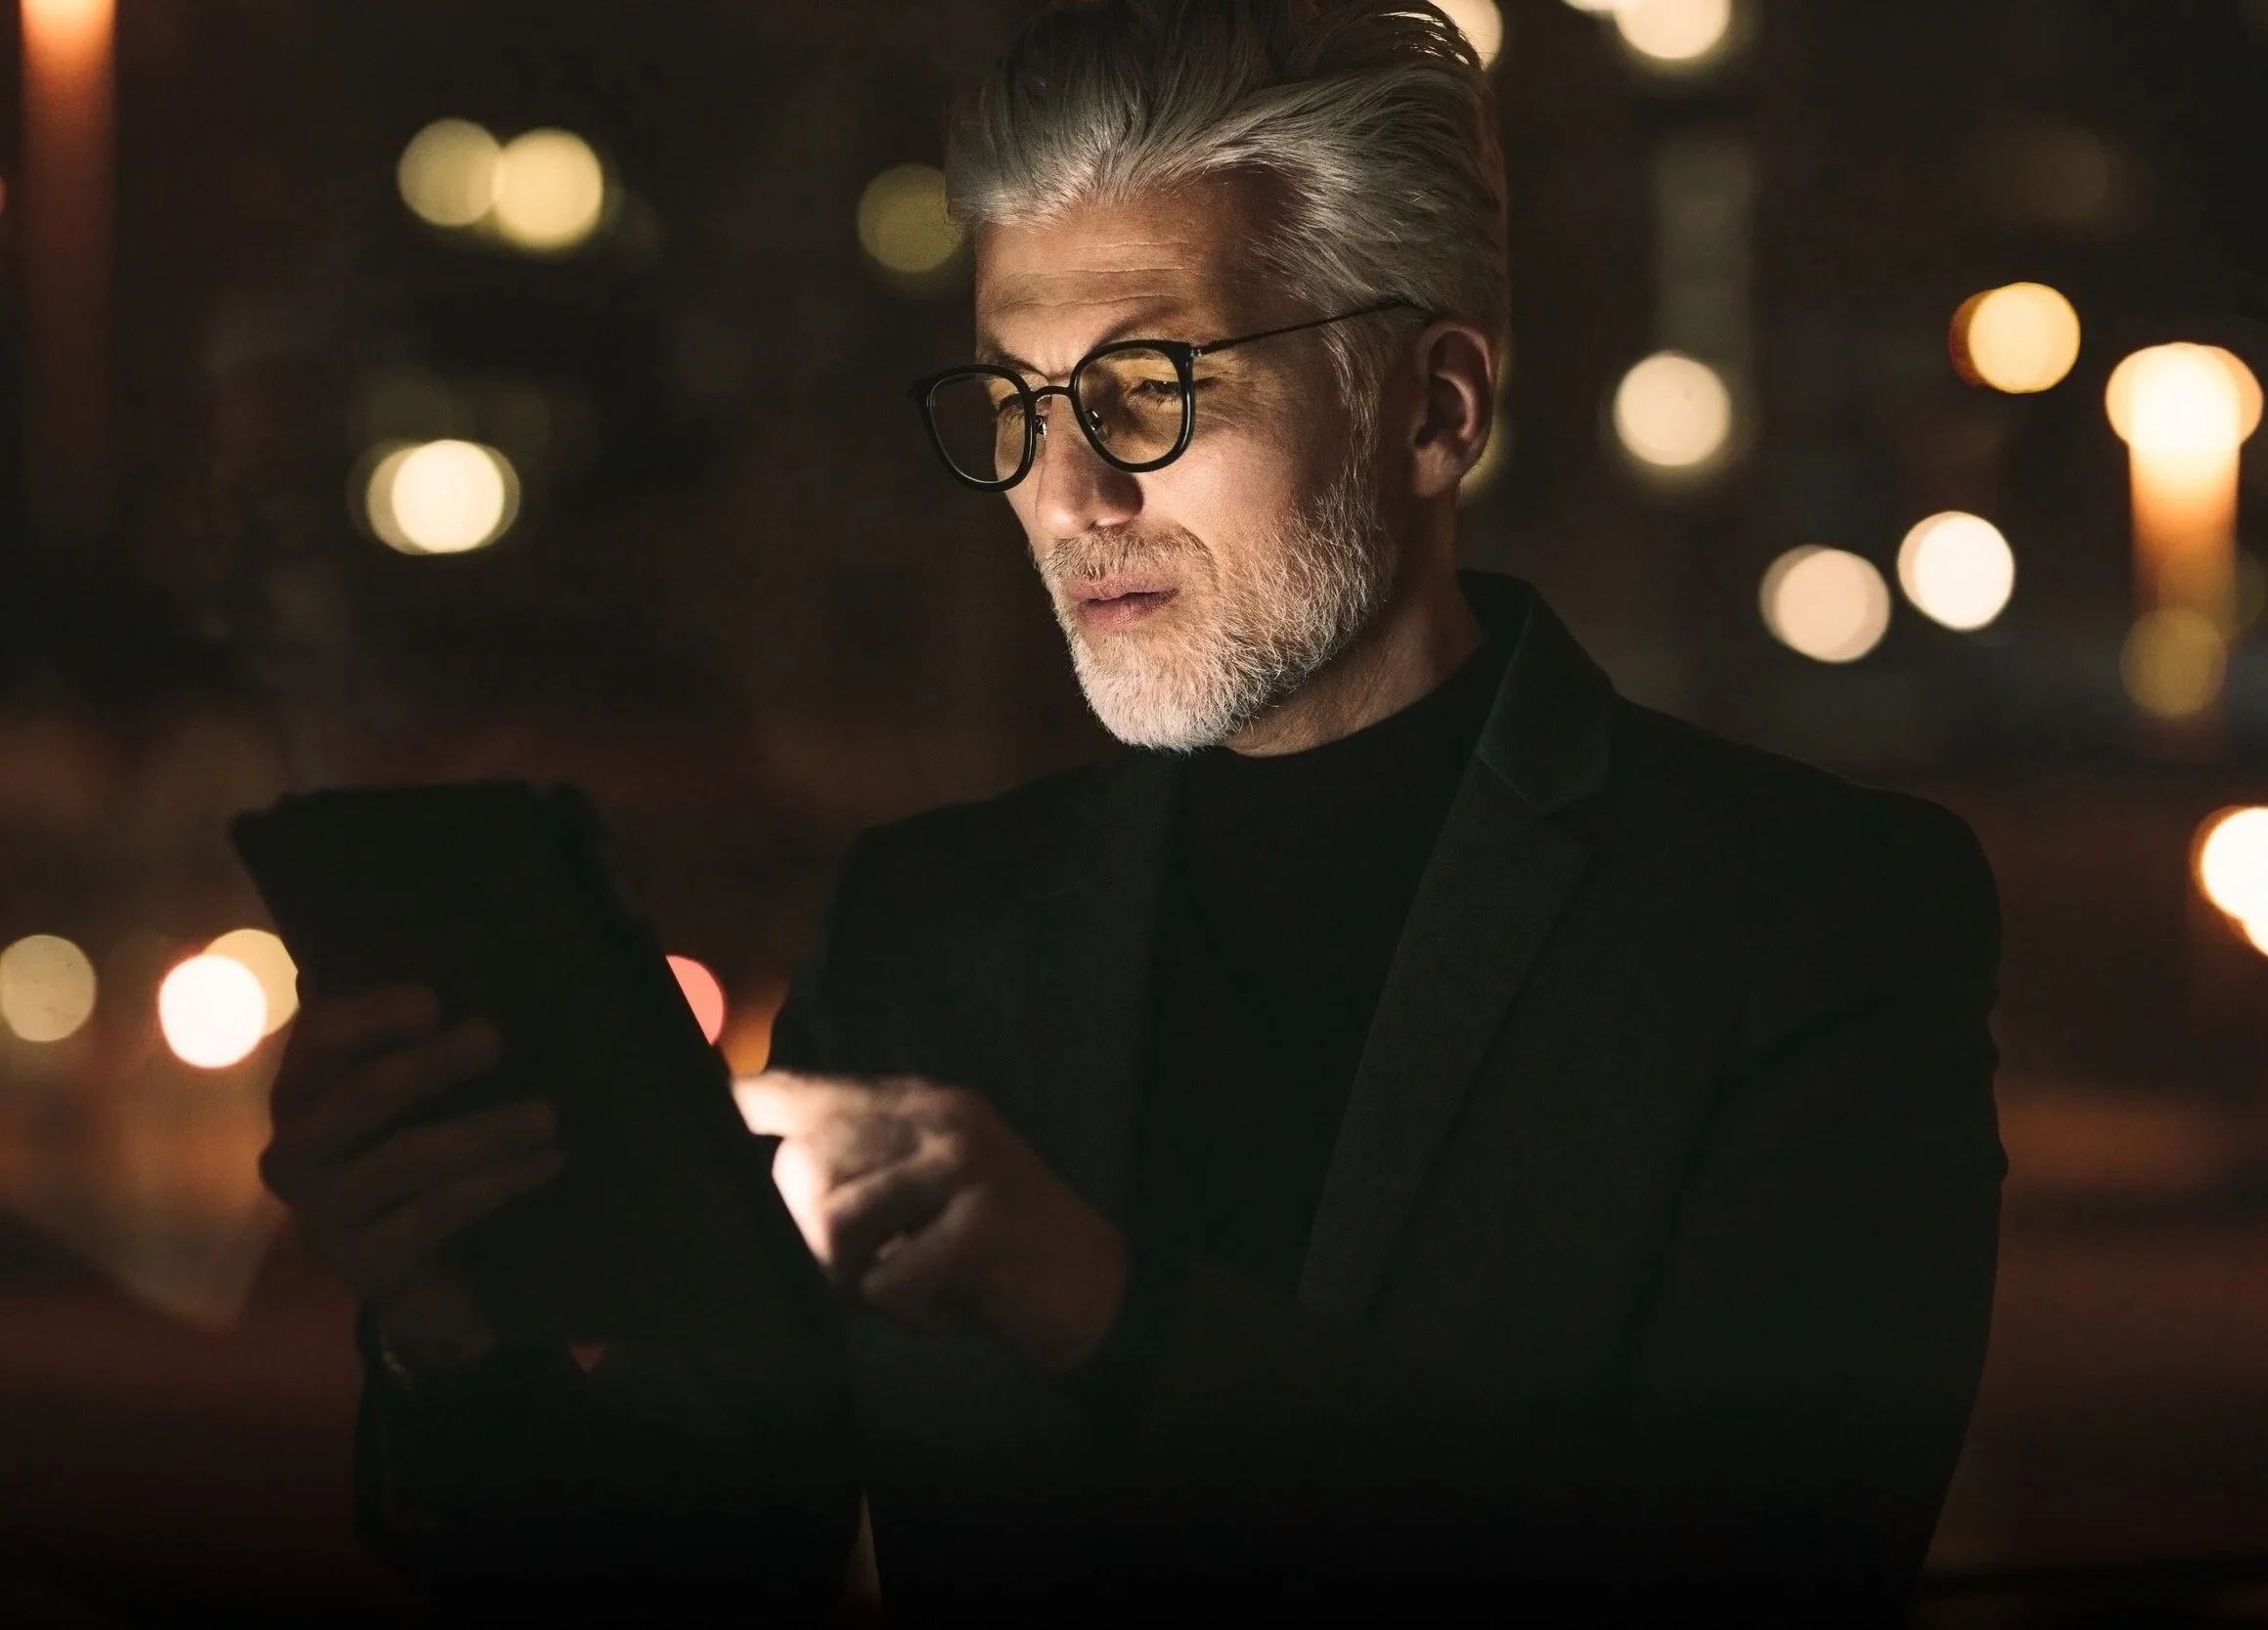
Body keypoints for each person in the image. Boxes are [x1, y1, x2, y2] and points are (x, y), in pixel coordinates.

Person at [257, 1, 2004, 1617]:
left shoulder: (1810, 917)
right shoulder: (933, 923)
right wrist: (445, 1332)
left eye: (1149, 388)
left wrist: (1103, 1309)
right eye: (1016, 402)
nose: (1067, 490)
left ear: (1434, 406)